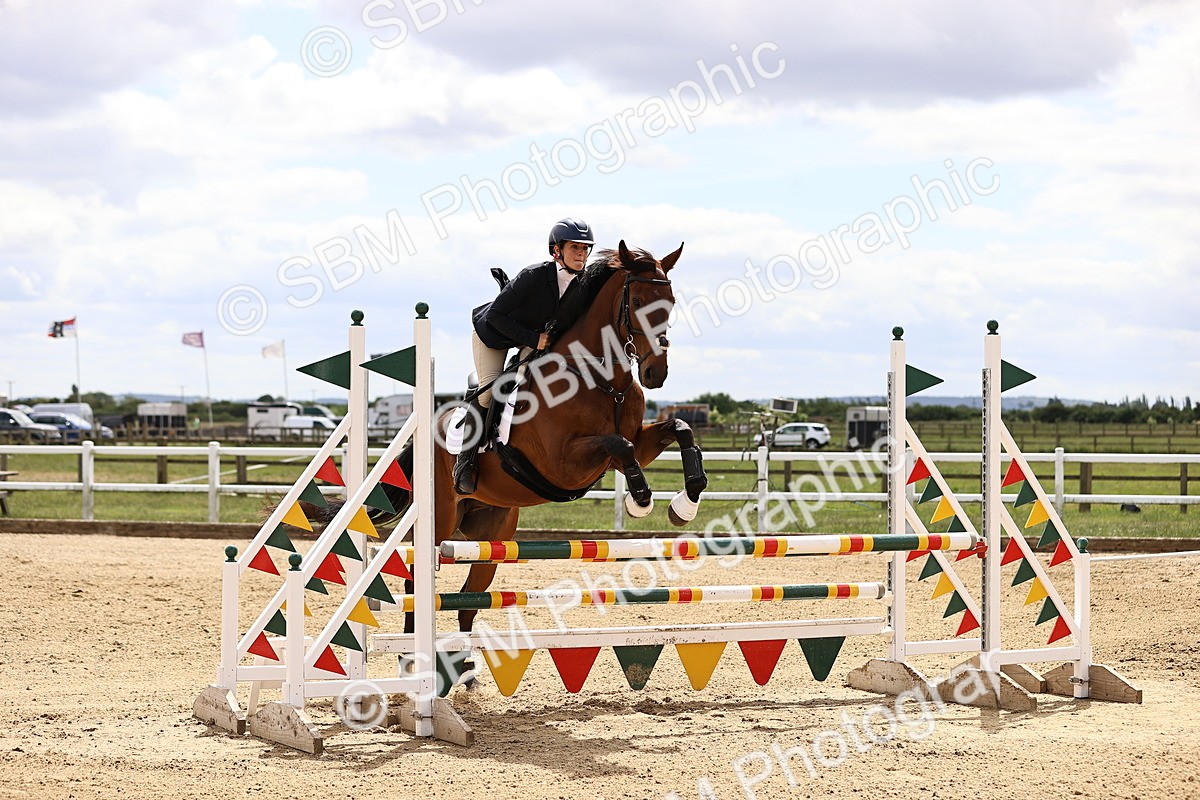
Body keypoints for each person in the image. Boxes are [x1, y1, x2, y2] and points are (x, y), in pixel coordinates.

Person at [453, 217, 595, 494]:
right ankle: (465, 462)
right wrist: (533, 339)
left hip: (534, 340)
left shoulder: (582, 284)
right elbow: (495, 316)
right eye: (575, 247)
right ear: (557, 251)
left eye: (585, 248)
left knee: (534, 382)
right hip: (493, 335)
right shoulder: (534, 276)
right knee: (488, 393)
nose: (581, 254)